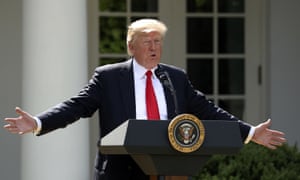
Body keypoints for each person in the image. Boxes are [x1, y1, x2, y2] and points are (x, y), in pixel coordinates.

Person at [4, 18, 286, 180]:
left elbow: (207, 109)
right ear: (131, 46)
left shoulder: (175, 78)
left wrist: (249, 132)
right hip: (119, 172)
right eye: (146, 41)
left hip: (167, 171)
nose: (154, 47)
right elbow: (76, 107)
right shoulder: (109, 77)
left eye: (158, 41)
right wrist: (39, 122)